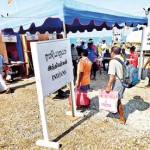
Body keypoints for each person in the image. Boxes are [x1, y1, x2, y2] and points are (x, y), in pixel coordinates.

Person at [105, 46, 125, 124]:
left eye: (111, 52)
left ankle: (122, 118)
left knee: (118, 99)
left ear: (112, 53)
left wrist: (108, 86)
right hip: (124, 81)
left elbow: (112, 76)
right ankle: (114, 111)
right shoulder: (122, 58)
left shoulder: (113, 61)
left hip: (118, 81)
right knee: (116, 98)